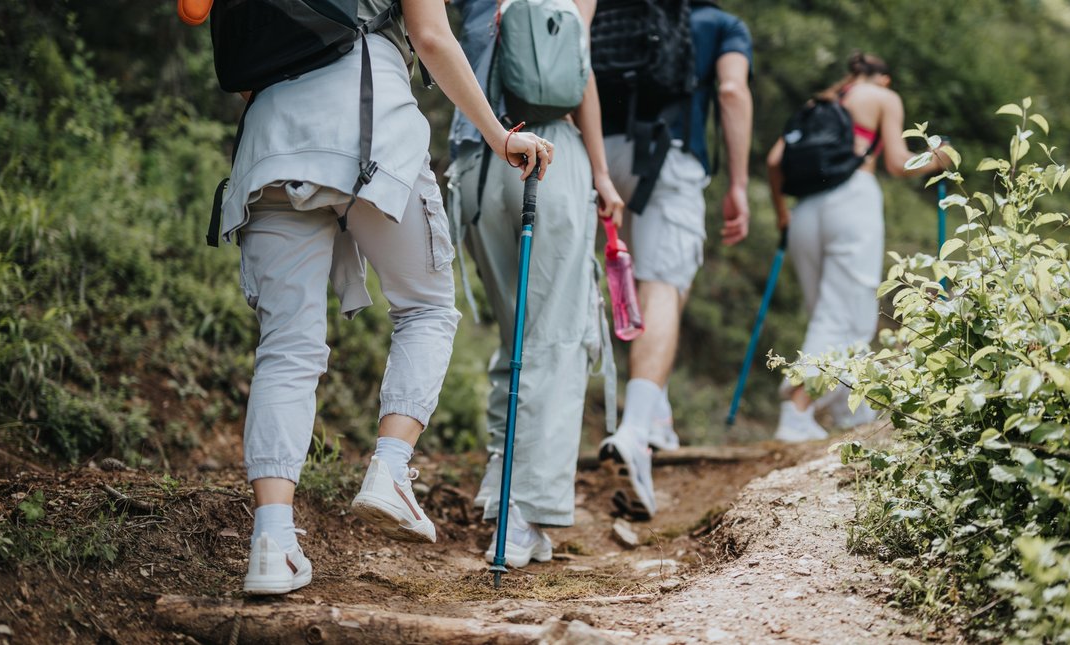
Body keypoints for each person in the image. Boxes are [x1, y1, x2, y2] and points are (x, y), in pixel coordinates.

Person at [220, 0, 556, 595]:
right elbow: (431, 36)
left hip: (270, 142)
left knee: (287, 348)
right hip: (368, 128)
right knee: (426, 306)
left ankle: (271, 542)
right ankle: (391, 471)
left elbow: (243, 66)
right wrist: (498, 135)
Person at [446, 0, 623, 568]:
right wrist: (599, 171)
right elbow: (578, 66)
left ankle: (502, 499)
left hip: (476, 161)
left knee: (515, 336)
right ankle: (524, 514)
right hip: (547, 157)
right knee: (555, 337)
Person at [597, 1, 753, 520]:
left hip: (598, 152)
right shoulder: (719, 25)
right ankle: (636, 434)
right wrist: (737, 183)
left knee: (622, 284)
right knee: (662, 285)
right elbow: (731, 91)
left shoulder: (612, 10)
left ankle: (655, 412)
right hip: (669, 157)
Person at [766, 52, 948, 442]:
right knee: (847, 317)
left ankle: (851, 411)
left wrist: (783, 214)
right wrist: (939, 158)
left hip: (806, 211)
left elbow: (774, 160)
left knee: (826, 312)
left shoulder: (821, 102)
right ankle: (797, 410)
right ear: (884, 78)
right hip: (852, 203)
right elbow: (898, 164)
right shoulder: (884, 98)